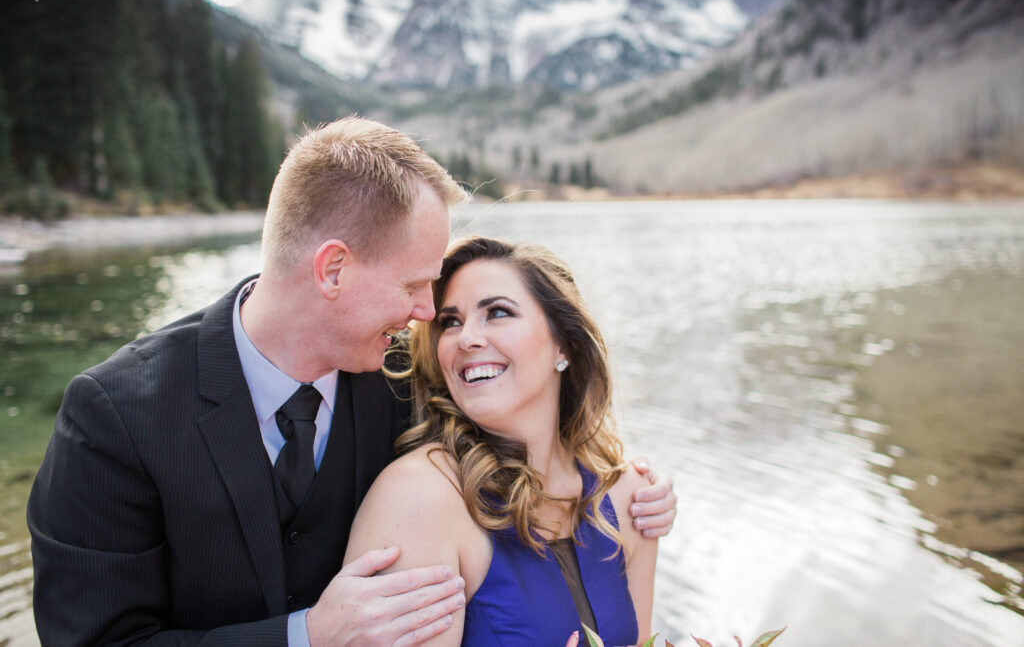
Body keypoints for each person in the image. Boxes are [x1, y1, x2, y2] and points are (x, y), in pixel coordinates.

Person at [27, 117, 676, 647]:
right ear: (333, 269)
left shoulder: (403, 383)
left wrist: (639, 484)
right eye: (415, 284)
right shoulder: (113, 416)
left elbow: (525, 424)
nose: (427, 314)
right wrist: (305, 635)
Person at [345, 236, 658, 646]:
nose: (466, 338)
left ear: (565, 344)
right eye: (450, 322)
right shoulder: (420, 497)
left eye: (497, 313)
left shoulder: (630, 499)